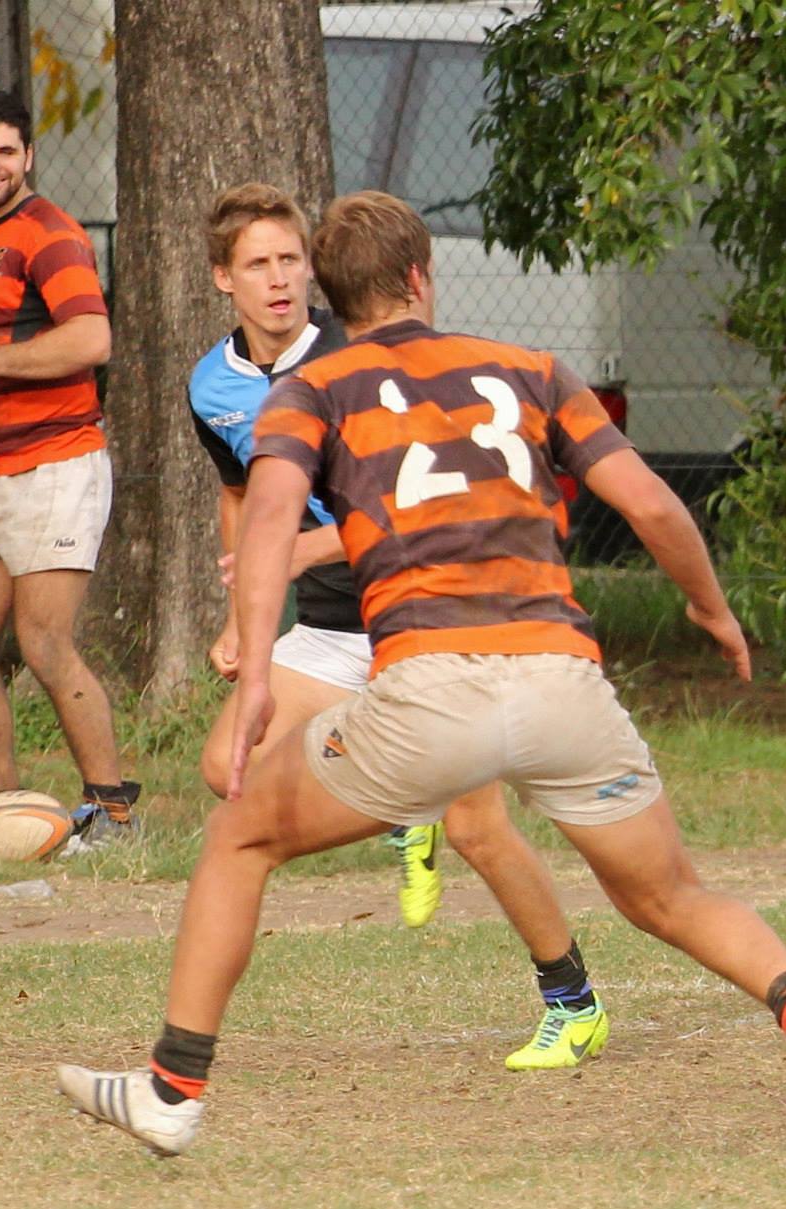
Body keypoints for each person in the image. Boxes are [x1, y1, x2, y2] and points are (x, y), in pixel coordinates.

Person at [57, 191, 786, 1155]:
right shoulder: (531, 369)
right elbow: (655, 506)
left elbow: (272, 519)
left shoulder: (311, 389)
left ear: (332, 293)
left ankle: (171, 1088)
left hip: (428, 689)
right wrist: (709, 606)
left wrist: (253, 678)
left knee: (239, 833)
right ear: (421, 278)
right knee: (670, 896)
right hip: (564, 684)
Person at [188, 182, 614, 1070]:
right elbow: (242, 500)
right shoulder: (212, 384)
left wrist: (307, 551)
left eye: (292, 260)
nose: (280, 280)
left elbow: (434, 502)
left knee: (479, 829)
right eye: (258, 264)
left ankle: (571, 1000)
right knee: (225, 762)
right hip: (334, 630)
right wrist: (246, 622)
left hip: (419, 618)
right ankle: (399, 800)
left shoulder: (359, 353)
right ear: (222, 278)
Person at [0, 87, 137, 850]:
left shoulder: (49, 234)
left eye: (5, 151)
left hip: (54, 464)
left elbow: (91, 338)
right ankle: (3, 818)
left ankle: (113, 813)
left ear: (28, 156)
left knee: (45, 642)